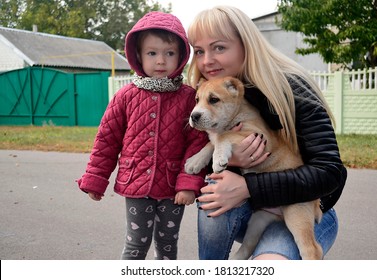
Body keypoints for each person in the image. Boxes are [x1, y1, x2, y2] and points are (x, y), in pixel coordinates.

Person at [186, 6, 347, 260]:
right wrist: (233, 162)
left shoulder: (292, 88)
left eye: (219, 47)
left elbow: (329, 173)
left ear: (245, 44)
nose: (206, 60)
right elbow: (195, 164)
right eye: (199, 51)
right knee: (211, 194)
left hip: (305, 207)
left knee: (268, 266)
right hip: (251, 210)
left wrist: (248, 186)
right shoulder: (204, 92)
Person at [77, 11, 208, 260]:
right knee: (136, 243)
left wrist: (189, 184)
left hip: (173, 189)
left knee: (167, 244)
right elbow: (107, 140)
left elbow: (197, 143)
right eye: (152, 53)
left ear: (181, 56)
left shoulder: (189, 97)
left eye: (169, 53)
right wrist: (95, 178)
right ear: (138, 55)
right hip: (136, 183)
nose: (161, 61)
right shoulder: (125, 96)